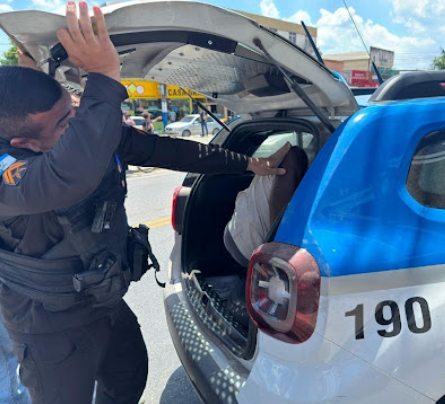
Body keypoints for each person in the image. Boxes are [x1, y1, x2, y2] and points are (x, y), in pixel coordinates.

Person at [0, 2, 290, 404]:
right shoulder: (9, 170)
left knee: (129, 377)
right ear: (24, 145)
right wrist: (103, 77)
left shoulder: (73, 135)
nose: (79, 121)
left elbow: (166, 150)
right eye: (65, 122)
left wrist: (250, 164)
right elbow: (62, 179)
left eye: (74, 108)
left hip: (102, 300)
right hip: (48, 326)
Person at [224, 146, 308, 267]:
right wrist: (275, 256)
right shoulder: (293, 159)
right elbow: (278, 218)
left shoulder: (286, 159)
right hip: (247, 239)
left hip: (239, 229)